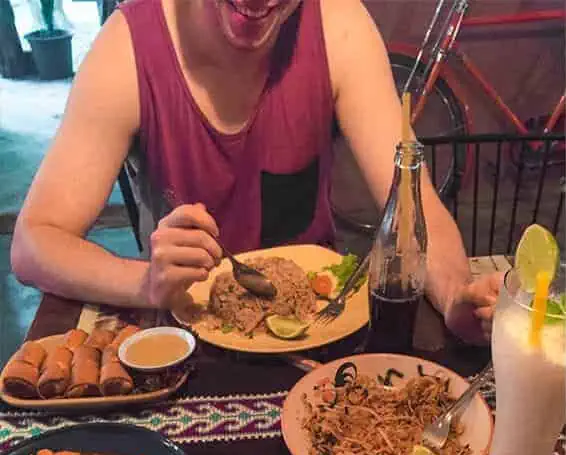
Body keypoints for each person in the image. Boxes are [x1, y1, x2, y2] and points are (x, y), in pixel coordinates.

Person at [11, 0, 500, 343]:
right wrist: (145, 285)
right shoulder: (129, 45)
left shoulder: (339, 25)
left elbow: (412, 204)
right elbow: (34, 244)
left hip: (314, 322)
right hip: (186, 330)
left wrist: (457, 295)